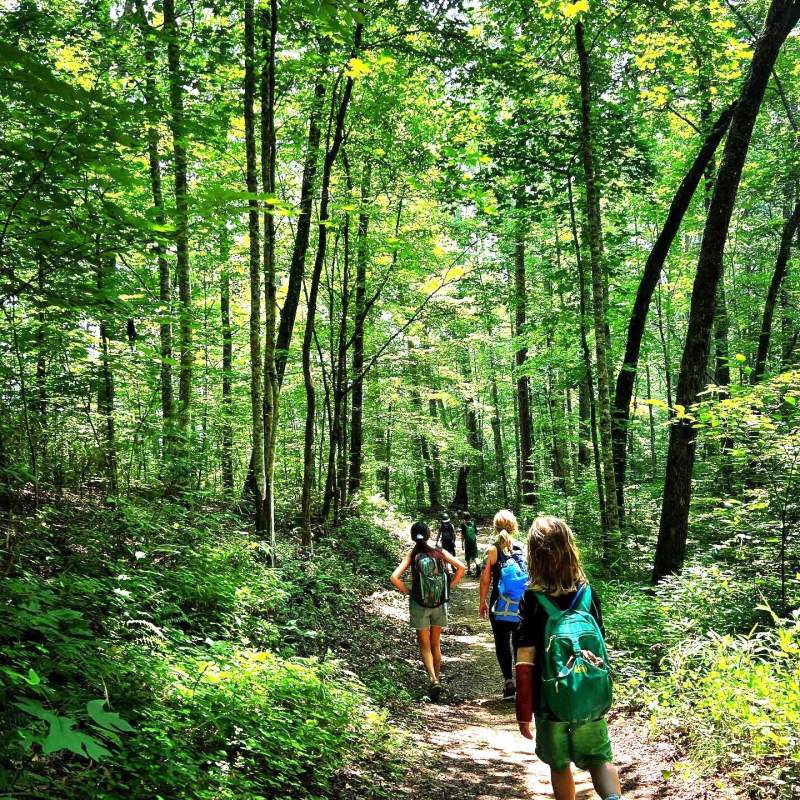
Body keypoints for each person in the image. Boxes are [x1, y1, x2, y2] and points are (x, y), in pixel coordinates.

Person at [515, 516, 622, 800]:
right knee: (600, 759)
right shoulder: (588, 593)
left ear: (534, 555)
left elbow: (525, 661)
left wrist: (523, 712)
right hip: (588, 695)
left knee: (560, 765)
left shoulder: (531, 599)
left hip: (550, 702)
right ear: (570, 548)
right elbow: (600, 647)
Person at [391, 521, 465, 701]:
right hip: (439, 603)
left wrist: (409, 591)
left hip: (420, 604)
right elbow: (461, 567)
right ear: (429, 534)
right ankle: (437, 678)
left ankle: (432, 679)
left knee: (424, 645)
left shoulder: (413, 553)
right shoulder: (439, 551)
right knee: (436, 644)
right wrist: (449, 587)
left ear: (412, 536)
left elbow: (394, 577)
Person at [479, 509, 527, 700]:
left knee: (501, 642)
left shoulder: (492, 550)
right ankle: (523, 683)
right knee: (518, 642)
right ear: (514, 527)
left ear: (495, 526)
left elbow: (485, 581)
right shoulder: (523, 548)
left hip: (499, 604)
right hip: (521, 605)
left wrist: (482, 602)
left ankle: (509, 683)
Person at [460, 511, 479, 576]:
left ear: (464, 518)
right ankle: (477, 567)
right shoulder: (473, 523)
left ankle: (468, 570)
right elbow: (476, 533)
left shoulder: (463, 525)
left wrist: (462, 544)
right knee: (474, 555)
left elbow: (462, 535)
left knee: (468, 555)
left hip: (467, 542)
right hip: (473, 542)